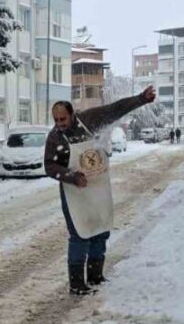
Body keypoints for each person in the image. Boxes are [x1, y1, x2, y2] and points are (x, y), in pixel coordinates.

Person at [45, 87, 157, 295]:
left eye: (63, 119)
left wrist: (141, 99)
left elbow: (115, 109)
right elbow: (50, 167)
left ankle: (95, 275)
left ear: (72, 115)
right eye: (56, 120)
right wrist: (71, 176)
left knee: (101, 229)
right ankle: (77, 283)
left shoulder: (89, 120)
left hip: (98, 186)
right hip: (74, 193)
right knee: (80, 233)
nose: (60, 124)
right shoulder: (55, 138)